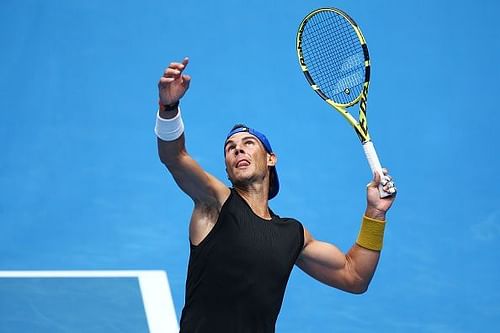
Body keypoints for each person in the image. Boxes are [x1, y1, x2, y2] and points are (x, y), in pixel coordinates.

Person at [154, 57, 397, 333]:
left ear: (271, 159)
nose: (238, 150)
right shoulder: (215, 204)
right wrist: (169, 107)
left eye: (248, 143)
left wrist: (375, 213)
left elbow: (354, 276)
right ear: (227, 168)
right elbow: (174, 156)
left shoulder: (293, 235)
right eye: (230, 148)